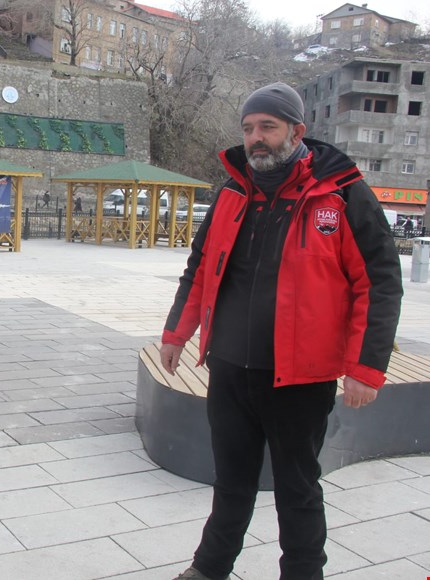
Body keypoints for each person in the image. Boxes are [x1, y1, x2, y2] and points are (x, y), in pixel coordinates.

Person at [160, 82, 403, 580]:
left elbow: (379, 282)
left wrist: (366, 367)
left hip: (299, 377)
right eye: (249, 128)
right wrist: (176, 333)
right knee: (231, 482)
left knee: (297, 489)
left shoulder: (341, 194)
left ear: (297, 131)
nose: (256, 138)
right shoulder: (231, 193)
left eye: (267, 127)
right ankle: (209, 569)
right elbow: (200, 267)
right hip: (229, 368)